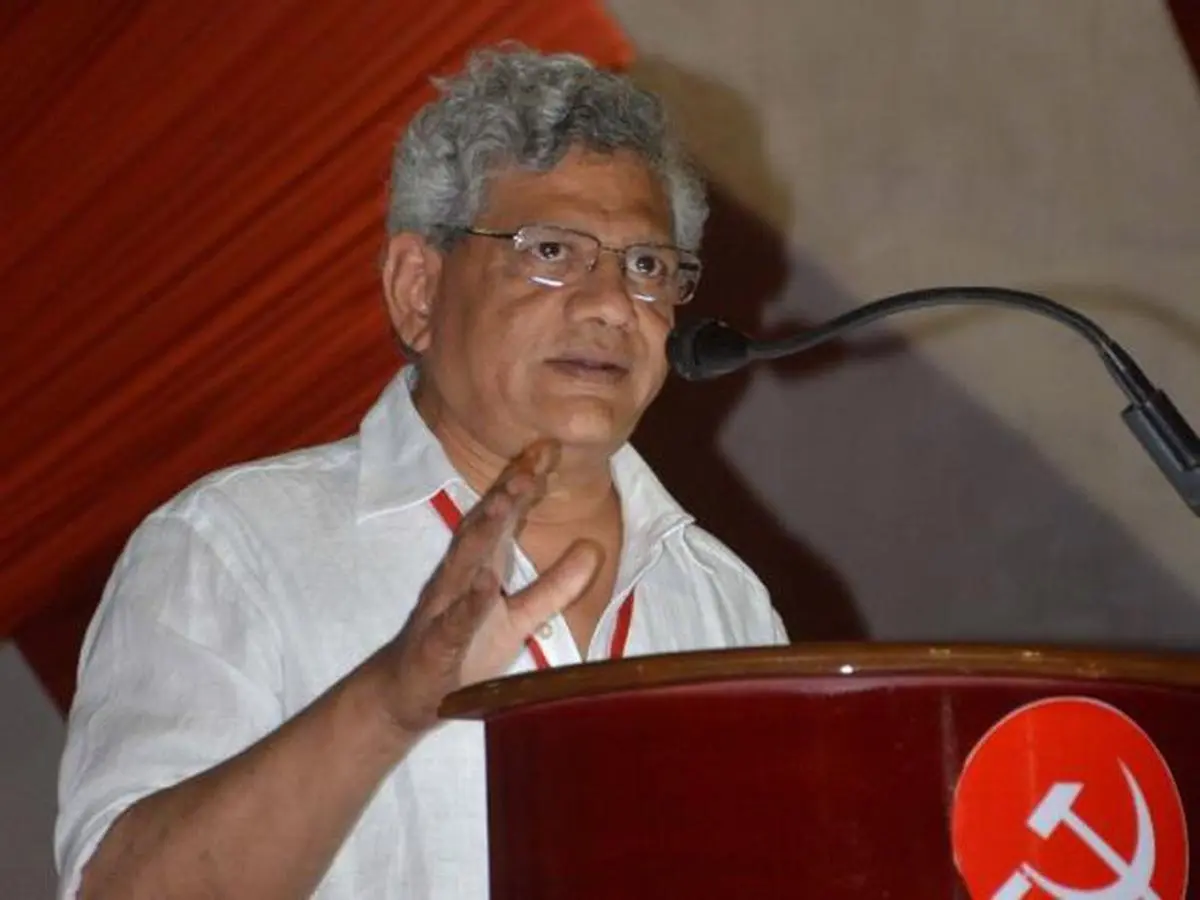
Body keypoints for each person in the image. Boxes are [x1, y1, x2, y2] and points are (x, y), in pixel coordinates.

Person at [54, 45, 788, 899]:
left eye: (647, 266)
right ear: (417, 288)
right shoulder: (231, 550)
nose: (610, 304)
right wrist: (391, 701)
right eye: (551, 249)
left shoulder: (726, 602)